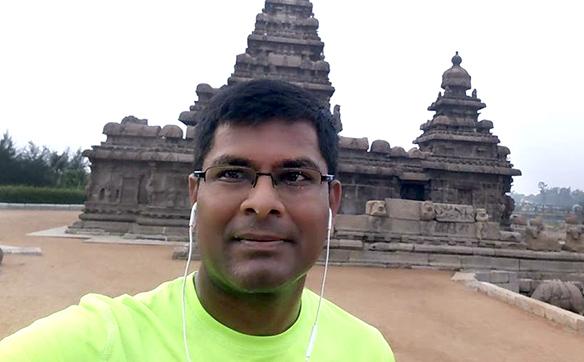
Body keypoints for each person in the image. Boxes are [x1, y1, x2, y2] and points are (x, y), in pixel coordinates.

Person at [0, 79, 395, 361]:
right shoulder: (94, 343)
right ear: (195, 192)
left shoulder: (366, 351)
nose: (262, 202)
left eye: (295, 177)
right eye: (233, 174)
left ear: (332, 199)